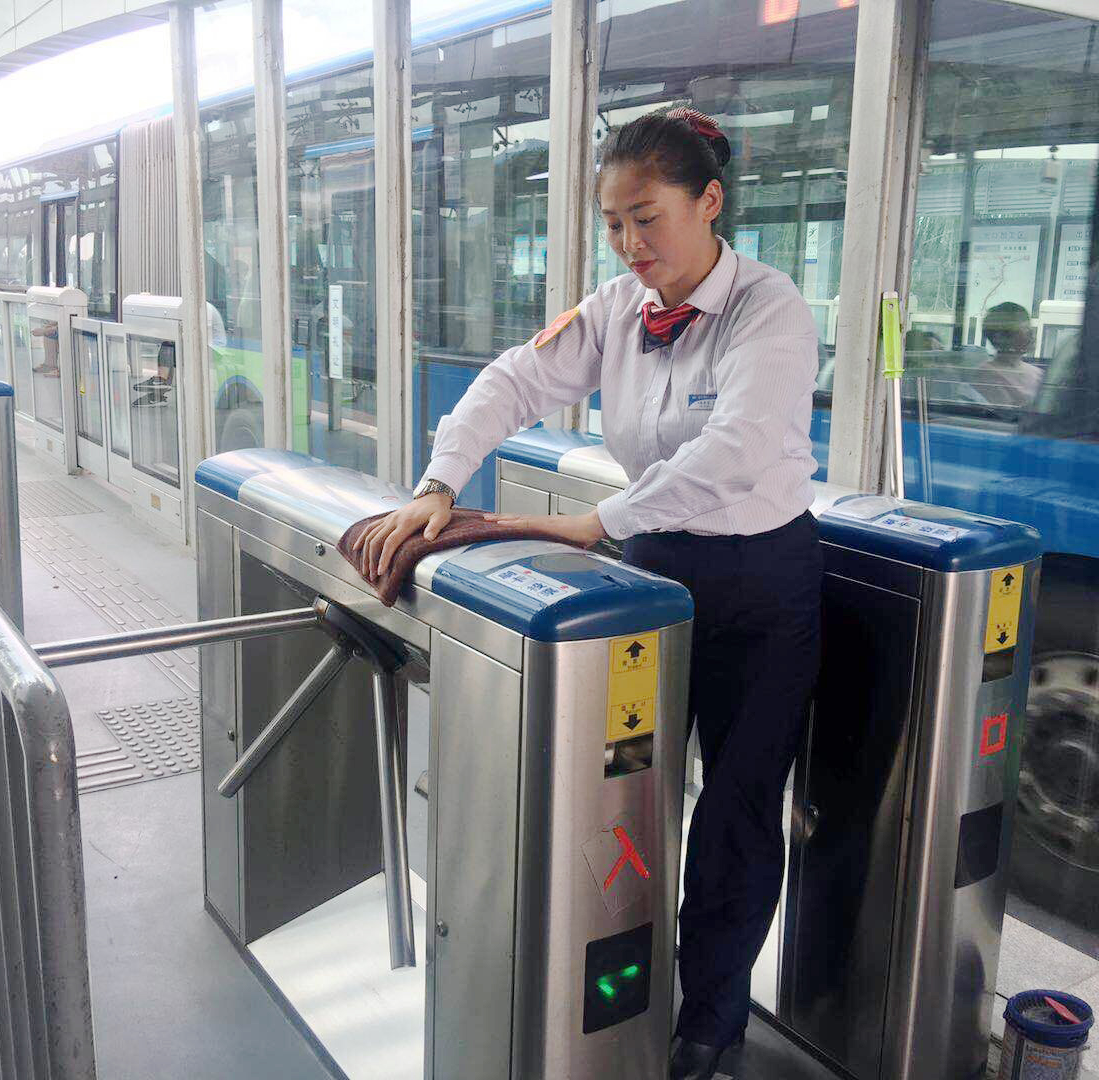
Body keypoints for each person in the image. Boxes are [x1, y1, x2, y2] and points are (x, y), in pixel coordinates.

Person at [353, 107, 822, 1079]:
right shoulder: (615, 308)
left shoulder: (767, 309)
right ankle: (619, 1003)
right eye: (613, 223)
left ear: (709, 202)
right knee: (626, 795)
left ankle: (711, 1016)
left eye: (647, 218)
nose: (629, 243)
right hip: (653, 570)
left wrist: (599, 522)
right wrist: (440, 482)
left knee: (736, 807)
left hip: (761, 584)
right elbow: (513, 382)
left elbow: (735, 450)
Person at [977, 302, 1043, 409]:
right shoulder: (987, 375)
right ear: (1000, 337)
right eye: (1024, 329)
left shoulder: (1037, 373)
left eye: (1030, 327)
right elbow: (1007, 414)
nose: (1032, 334)